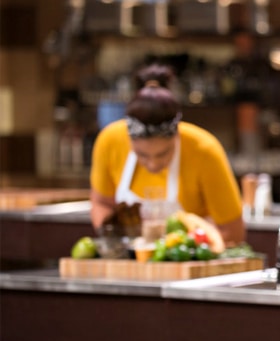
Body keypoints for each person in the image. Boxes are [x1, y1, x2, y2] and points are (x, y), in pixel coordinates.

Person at [90, 64, 245, 246]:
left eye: (163, 154)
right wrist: (115, 241)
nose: (153, 164)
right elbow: (102, 204)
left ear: (177, 135)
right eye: (142, 155)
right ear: (129, 139)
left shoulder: (204, 150)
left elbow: (233, 232)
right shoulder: (109, 141)